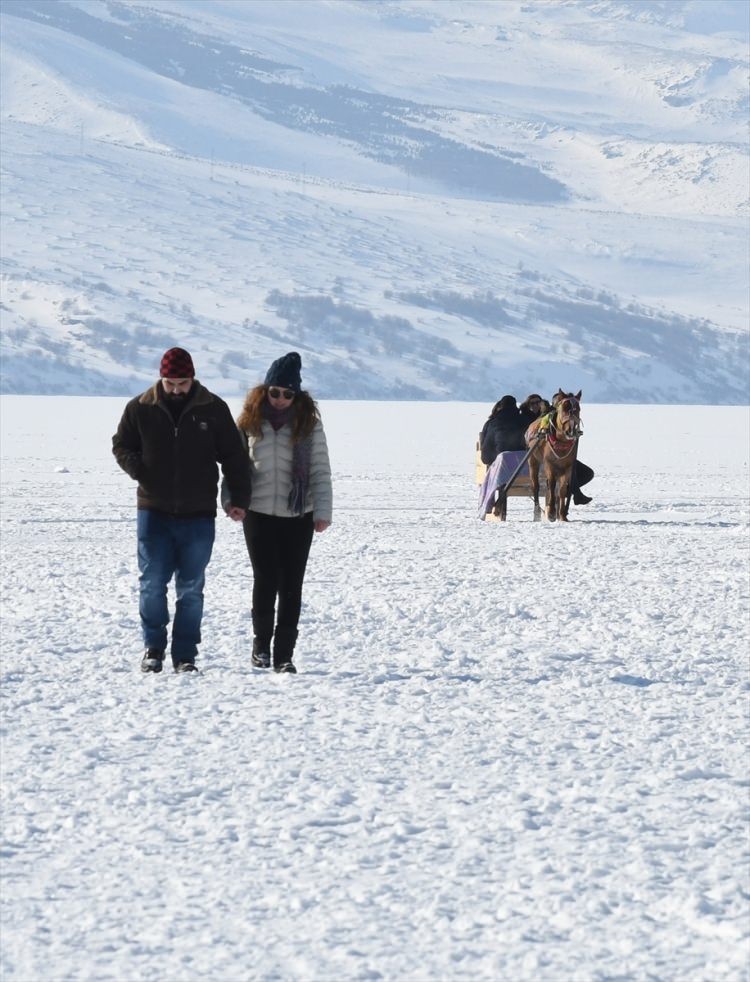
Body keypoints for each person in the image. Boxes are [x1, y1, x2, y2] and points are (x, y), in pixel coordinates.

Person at [112, 347, 251, 674]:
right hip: (153, 512)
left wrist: (238, 499)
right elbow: (121, 445)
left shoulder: (214, 409)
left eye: (182, 383)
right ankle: (153, 647)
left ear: (193, 378)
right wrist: (140, 471)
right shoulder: (140, 408)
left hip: (198, 515)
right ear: (161, 379)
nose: (176, 389)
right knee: (152, 583)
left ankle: (185, 654)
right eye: (170, 383)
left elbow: (234, 457)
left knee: (191, 587)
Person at [235, 352, 332, 674]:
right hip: (258, 512)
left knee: (292, 585)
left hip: (298, 514)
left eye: (287, 394)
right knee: (265, 580)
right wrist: (232, 501)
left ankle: (284, 654)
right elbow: (235, 469)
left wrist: (322, 510)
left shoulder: (309, 425)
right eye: (275, 392)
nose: (280, 399)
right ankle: (261, 645)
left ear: (297, 395)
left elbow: (320, 471)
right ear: (265, 390)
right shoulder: (249, 421)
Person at [479, 394, 525, 465]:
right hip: (520, 462)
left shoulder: (491, 423)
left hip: (493, 461)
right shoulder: (523, 421)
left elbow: (484, 445)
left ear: (501, 406)